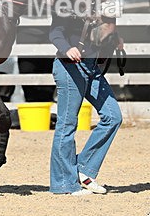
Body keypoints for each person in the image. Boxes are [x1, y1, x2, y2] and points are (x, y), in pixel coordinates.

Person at [48, 11, 123, 195]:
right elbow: (55, 32)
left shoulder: (101, 6)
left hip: (92, 68)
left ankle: (83, 169)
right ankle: (63, 183)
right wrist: (66, 48)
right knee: (67, 124)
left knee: (113, 116)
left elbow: (102, 34)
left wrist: (114, 40)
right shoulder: (67, 4)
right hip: (69, 67)